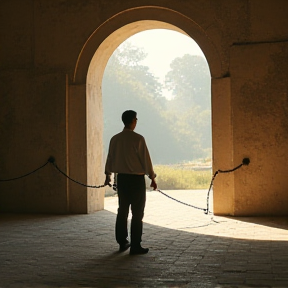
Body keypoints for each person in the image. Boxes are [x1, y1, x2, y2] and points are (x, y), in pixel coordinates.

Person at [104, 110, 157, 255]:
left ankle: (122, 241)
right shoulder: (138, 139)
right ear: (133, 121)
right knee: (137, 213)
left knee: (122, 211)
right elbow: (145, 160)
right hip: (136, 180)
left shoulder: (115, 139)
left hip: (121, 179)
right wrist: (152, 177)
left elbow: (110, 158)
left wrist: (107, 175)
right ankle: (135, 245)